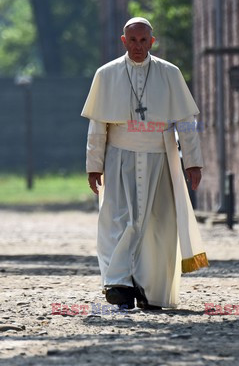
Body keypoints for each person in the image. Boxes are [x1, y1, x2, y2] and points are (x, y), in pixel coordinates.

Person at [81, 17, 208, 310]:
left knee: (157, 225)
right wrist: (93, 165)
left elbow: (186, 123)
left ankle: (150, 290)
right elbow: (98, 127)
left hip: (160, 158)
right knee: (121, 220)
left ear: (152, 41)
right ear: (123, 41)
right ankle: (119, 284)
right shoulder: (106, 74)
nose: (138, 46)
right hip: (119, 158)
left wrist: (193, 162)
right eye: (132, 40)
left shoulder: (170, 73)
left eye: (143, 40)